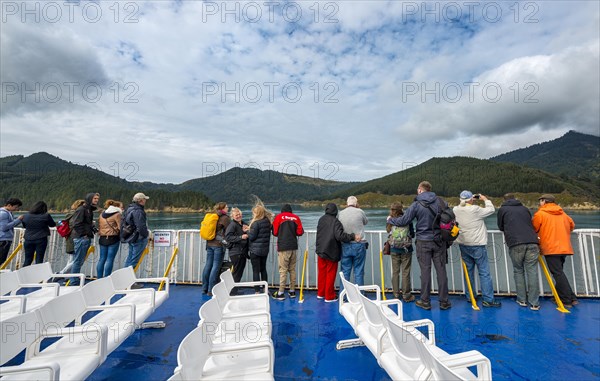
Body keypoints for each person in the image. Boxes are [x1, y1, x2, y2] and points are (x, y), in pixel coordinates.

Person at [386, 181, 451, 310]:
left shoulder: (416, 204)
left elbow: (404, 220)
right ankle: (444, 302)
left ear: (420, 190)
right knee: (441, 271)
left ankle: (425, 301)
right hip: (439, 241)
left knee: (425, 271)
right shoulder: (441, 202)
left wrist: (390, 220)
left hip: (423, 242)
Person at [453, 191, 501, 307]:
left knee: (468, 272)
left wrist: (469, 200)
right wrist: (485, 199)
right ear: (471, 199)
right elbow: (491, 210)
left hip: (463, 244)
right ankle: (488, 300)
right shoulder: (475, 209)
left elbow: (463, 205)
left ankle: (470, 296)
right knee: (484, 272)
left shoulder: (456, 209)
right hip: (477, 244)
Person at [533, 194, 578, 307]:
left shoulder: (540, 214)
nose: (539, 203)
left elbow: (534, 228)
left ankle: (567, 300)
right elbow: (572, 226)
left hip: (550, 248)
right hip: (564, 247)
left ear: (544, 201)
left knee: (557, 273)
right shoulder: (563, 214)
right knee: (559, 273)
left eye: (540, 201)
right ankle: (570, 297)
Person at [497, 193, 541, 310]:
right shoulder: (524, 208)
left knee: (518, 270)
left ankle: (522, 300)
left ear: (504, 200)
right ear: (515, 198)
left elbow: (500, 226)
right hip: (532, 242)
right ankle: (534, 303)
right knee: (532, 271)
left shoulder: (503, 210)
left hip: (516, 243)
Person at [316, 203, 358, 302]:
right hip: (331, 251)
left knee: (322, 273)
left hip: (321, 250)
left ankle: (321, 293)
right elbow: (340, 236)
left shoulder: (321, 219)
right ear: (335, 211)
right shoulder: (336, 222)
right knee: (330, 274)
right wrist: (352, 236)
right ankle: (329, 296)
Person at [271, 204, 304, 300]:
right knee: (292, 269)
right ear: (291, 211)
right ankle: (292, 291)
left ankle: (281, 293)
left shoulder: (278, 217)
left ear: (282, 211)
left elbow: (275, 232)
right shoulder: (296, 218)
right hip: (293, 246)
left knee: (283, 270)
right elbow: (300, 232)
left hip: (283, 247)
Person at [386, 202, 415, 302]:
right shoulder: (407, 219)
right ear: (401, 209)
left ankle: (396, 294)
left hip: (394, 249)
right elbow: (412, 233)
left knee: (395, 272)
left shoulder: (390, 220)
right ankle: (406, 295)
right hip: (406, 249)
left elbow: (388, 231)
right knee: (405, 272)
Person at [338, 196, 368, 289]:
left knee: (345, 272)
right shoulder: (360, 211)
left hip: (345, 245)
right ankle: (359, 296)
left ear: (347, 203)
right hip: (359, 245)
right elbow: (365, 222)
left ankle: (344, 296)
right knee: (358, 271)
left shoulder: (340, 213)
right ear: (356, 203)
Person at [70, 192, 100, 285]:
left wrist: (93, 229)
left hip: (84, 238)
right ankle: (74, 281)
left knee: (80, 260)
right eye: (94, 198)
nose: (96, 200)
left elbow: (87, 223)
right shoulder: (82, 210)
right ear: (89, 198)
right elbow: (76, 224)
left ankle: (75, 280)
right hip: (81, 238)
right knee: (77, 261)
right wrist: (84, 234)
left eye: (97, 199)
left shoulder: (88, 210)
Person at [202, 202, 231, 296]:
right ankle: (211, 290)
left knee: (208, 266)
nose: (228, 208)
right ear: (222, 208)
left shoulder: (212, 216)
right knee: (216, 267)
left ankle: (204, 288)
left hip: (209, 243)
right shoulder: (225, 218)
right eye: (227, 207)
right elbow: (229, 230)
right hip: (218, 245)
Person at [247, 202, 273, 293]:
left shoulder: (256, 223)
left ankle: (257, 291)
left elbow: (252, 237)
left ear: (257, 213)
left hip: (255, 250)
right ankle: (265, 289)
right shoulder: (268, 222)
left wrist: (247, 231)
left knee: (256, 271)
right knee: (263, 269)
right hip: (264, 250)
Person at [21, 201, 56, 266]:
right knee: (39, 259)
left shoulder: (26, 216)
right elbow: (52, 225)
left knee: (27, 259)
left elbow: (24, 225)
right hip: (41, 239)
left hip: (28, 239)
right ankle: (38, 275)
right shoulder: (46, 216)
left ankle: (23, 274)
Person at [122, 193, 150, 270]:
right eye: (144, 199)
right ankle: (129, 280)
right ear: (141, 200)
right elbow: (140, 226)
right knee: (134, 261)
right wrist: (146, 235)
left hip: (131, 237)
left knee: (130, 258)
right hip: (138, 238)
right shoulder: (138, 211)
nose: (145, 201)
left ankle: (125, 278)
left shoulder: (129, 208)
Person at [97, 200, 123, 278]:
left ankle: (99, 278)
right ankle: (107, 277)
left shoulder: (101, 214)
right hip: (113, 238)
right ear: (117, 207)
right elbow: (120, 227)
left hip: (102, 238)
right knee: (110, 259)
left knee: (101, 259)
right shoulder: (117, 215)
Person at [58, 199, 85, 274]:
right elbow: (76, 225)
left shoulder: (69, 214)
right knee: (76, 259)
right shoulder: (77, 215)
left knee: (71, 259)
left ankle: (66, 276)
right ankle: (61, 273)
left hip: (70, 237)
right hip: (75, 237)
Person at [225, 207, 249, 287]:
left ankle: (234, 289)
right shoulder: (232, 225)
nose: (238, 216)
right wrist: (240, 237)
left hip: (242, 252)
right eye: (236, 215)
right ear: (232, 216)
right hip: (236, 252)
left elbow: (249, 231)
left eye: (239, 214)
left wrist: (248, 229)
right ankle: (232, 291)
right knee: (236, 272)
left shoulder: (243, 223)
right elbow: (228, 237)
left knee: (239, 272)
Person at [0, 198, 24, 266]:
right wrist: (18, 220)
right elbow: (4, 227)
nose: (17, 209)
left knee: (2, 259)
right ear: (9, 205)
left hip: (4, 239)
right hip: (3, 239)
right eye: (15, 207)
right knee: (1, 259)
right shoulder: (3, 214)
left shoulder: (8, 213)